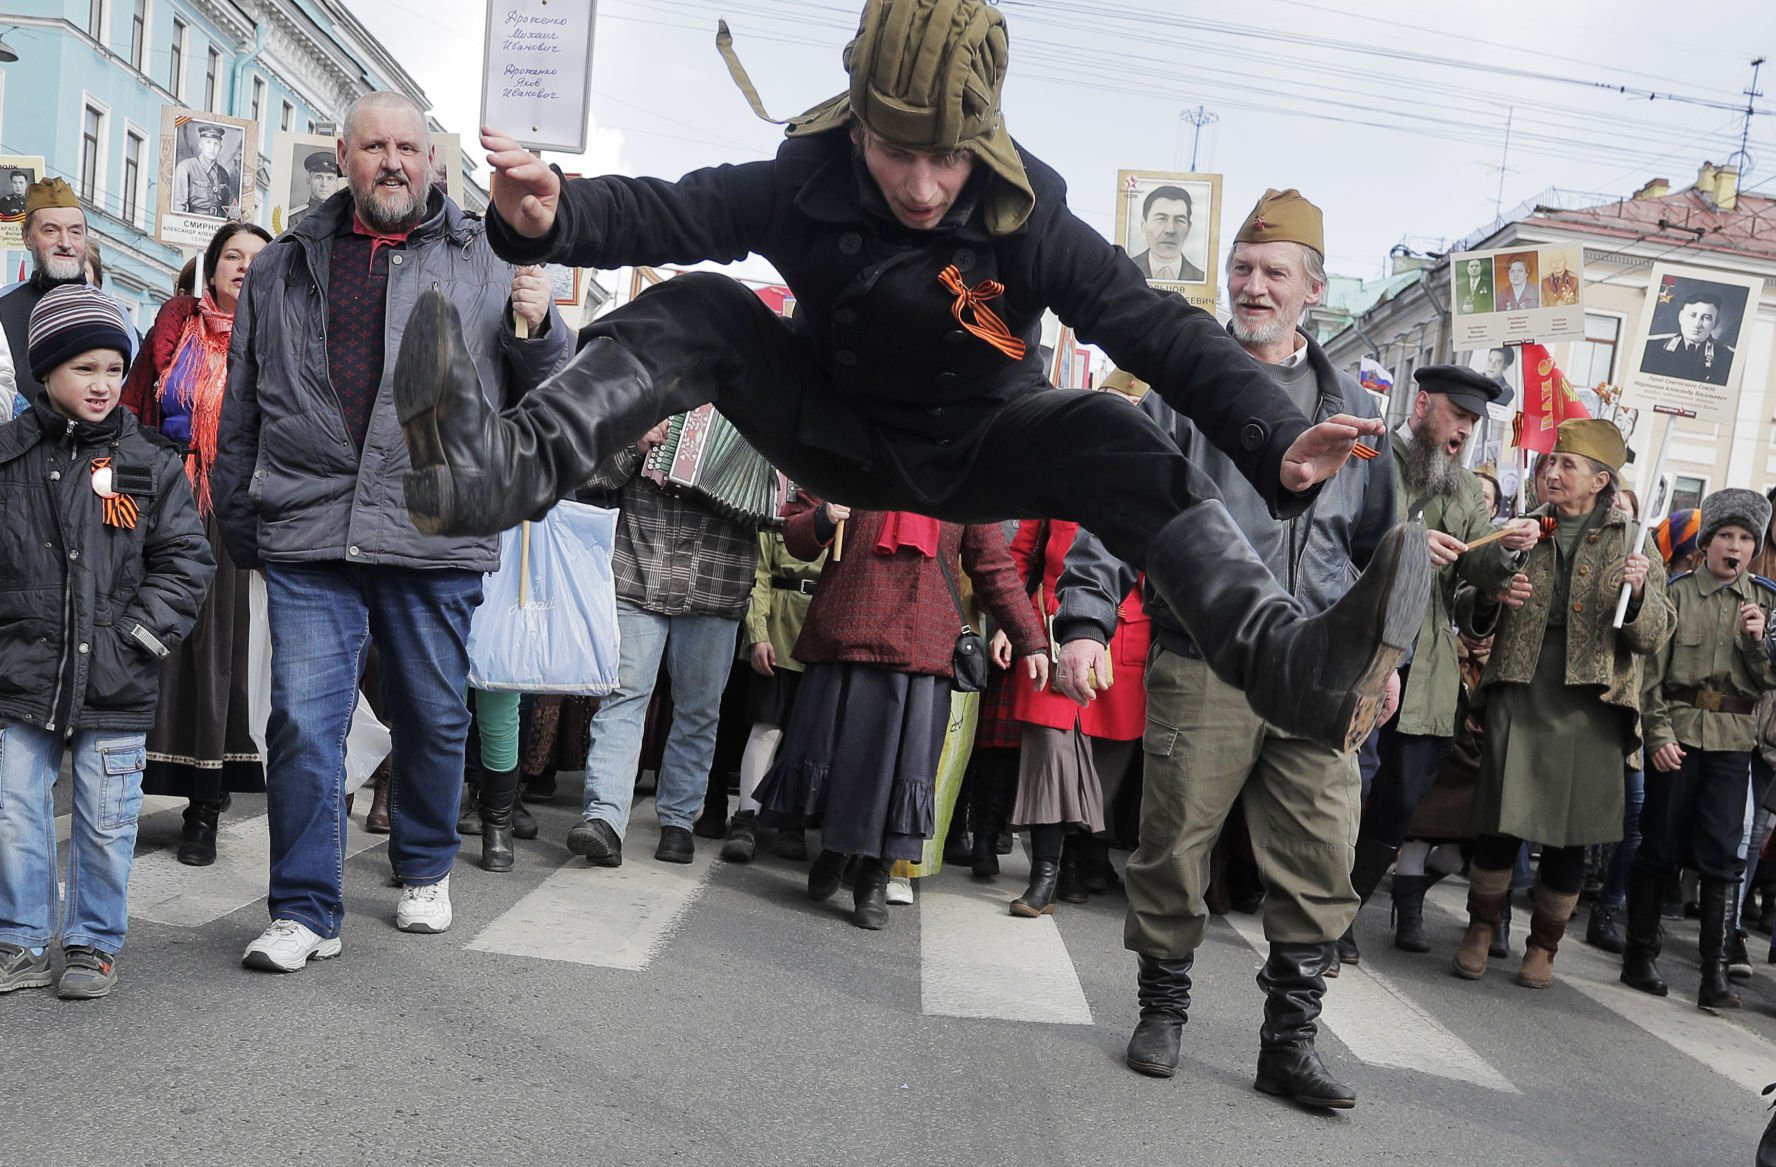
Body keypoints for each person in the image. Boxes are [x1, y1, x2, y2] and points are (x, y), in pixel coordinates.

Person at [390, 0, 1433, 767]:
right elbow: (679, 212)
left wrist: (1266, 430)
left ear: (981, 142)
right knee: (704, 308)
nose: (925, 186)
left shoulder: (1029, 214)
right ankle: (495, 473)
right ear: (857, 124)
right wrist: (554, 215)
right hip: (829, 424)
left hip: (977, 444)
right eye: (897, 154)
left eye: (949, 161)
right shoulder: (806, 176)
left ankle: (1289, 667)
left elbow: (1144, 321)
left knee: (1117, 437)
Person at [1054, 190, 1397, 1109]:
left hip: (1320, 675)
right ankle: (1162, 1008)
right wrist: (1085, 621)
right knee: (1172, 846)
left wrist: (1386, 662)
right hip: (1205, 656)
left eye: (1273, 273)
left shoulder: (1358, 416)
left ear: (1310, 290)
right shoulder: (1180, 396)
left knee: (1324, 855)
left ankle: (1289, 1041)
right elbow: (1115, 509)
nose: (1254, 287)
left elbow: (1385, 557)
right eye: (1243, 269)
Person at [212, 91, 569, 972]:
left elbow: (542, 396)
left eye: (409, 146)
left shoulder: (488, 254)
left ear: (434, 160)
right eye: (376, 147)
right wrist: (237, 517)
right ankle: (303, 909)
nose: (394, 162)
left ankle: (423, 864)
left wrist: (540, 326)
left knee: (435, 711)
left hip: (431, 522)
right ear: (345, 155)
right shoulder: (282, 262)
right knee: (300, 721)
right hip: (310, 523)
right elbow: (246, 399)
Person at [0, 284, 213, 999]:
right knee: (15, 809)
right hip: (20, 669)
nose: (102, 384)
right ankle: (22, 938)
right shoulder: (8, 457)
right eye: (84, 368)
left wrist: (138, 639)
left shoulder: (148, 461)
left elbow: (186, 560)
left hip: (118, 675)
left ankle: (92, 940)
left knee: (104, 818)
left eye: (113, 370)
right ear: (44, 372)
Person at [1450, 419, 1671, 988]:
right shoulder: (1523, 527)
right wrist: (1495, 588)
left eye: (1566, 465)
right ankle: (1480, 927)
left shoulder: (1633, 537)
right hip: (1521, 686)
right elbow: (1471, 604)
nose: (1552, 473)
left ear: (1600, 481)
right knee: (1501, 819)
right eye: (1551, 463)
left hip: (1591, 704)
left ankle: (1545, 945)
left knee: (1570, 831)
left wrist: (1641, 591)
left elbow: (1653, 636)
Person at [754, 500, 1047, 930]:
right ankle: (836, 850)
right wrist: (822, 519)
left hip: (923, 647)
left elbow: (992, 564)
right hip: (848, 632)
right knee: (845, 762)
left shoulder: (960, 476)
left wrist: (1031, 639)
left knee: (905, 770)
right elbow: (796, 539)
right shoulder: (853, 452)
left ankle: (874, 875)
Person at [1340, 367, 1534, 961]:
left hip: (1426, 672)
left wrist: (1505, 551)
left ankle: (1343, 916)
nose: (1465, 432)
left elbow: (1479, 572)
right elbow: (1332, 537)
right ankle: (1316, 913)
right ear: (1423, 404)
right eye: (1459, 416)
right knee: (1349, 791)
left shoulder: (1466, 490)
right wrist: (1402, 543)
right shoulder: (1366, 458)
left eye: (1473, 423)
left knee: (1398, 802)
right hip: (1363, 655)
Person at [119, 221, 272, 866]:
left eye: (254, 260)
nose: (241, 266)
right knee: (153, 643)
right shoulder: (173, 327)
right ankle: (125, 793)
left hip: (237, 512)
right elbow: (132, 408)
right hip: (166, 504)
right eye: (230, 256)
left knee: (217, 653)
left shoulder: (280, 338)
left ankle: (204, 806)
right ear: (210, 268)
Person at [560, 415, 763, 869]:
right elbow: (588, 477)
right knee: (622, 698)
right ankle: (603, 820)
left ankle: (678, 823)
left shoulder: (759, 410)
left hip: (717, 582)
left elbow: (776, 511)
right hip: (634, 571)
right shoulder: (647, 395)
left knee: (698, 710)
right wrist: (633, 443)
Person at [1625, 489, 1776, 1008]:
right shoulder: (1677, 594)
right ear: (1707, 543)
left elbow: (1769, 682)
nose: (1735, 548)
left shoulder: (1766, 602)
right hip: (1680, 735)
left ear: (1754, 549)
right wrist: (1659, 737)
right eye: (1726, 537)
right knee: (1660, 847)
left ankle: (1714, 974)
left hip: (1734, 744)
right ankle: (1640, 954)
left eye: (1745, 539)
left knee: (1722, 858)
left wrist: (1759, 642)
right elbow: (1649, 677)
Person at [1004, 514, 1148, 915]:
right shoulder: (1054, 474)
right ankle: (1043, 877)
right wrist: (1012, 623)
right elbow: (1019, 556)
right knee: (1049, 757)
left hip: (1126, 637)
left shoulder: (1151, 478)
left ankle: (1076, 863)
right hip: (1053, 629)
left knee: (1104, 770)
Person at [725, 502, 835, 863]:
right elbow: (759, 573)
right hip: (778, 627)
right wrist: (758, 634)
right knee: (767, 728)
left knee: (810, 734)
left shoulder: (848, 503)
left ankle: (793, 821)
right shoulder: (782, 504)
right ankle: (746, 818)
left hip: (823, 630)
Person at [0, 177, 89, 405]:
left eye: (75, 232)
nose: (65, 242)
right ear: (26, 237)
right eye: (51, 230)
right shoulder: (3, 306)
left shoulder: (112, 311)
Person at [1642, 290, 1733, 385]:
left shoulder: (1727, 358)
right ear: (1681, 317)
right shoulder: (1651, 349)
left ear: (1715, 323)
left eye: (1706, 318)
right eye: (1693, 315)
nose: (1697, 324)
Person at [1129, 185, 1206, 283]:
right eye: (1161, 219)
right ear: (1143, 225)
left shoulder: (1200, 278)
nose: (1170, 230)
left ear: (1188, 227)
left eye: (1179, 220)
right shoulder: (1126, 272)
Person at [172, 125, 235, 217]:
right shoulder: (186, 167)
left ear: (220, 148)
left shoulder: (223, 173)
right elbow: (178, 206)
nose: (212, 148)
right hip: (193, 223)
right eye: (208, 142)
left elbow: (227, 206)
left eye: (216, 144)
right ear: (200, 145)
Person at [286, 150, 342, 232]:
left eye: (330, 178)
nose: (324, 184)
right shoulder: (294, 219)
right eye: (318, 177)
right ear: (309, 180)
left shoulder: (345, 217)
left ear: (337, 184)